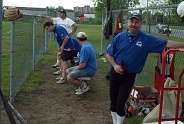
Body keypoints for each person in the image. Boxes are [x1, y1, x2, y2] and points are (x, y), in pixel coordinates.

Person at [106, 12, 184, 124]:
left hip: (129, 76)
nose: (134, 24)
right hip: (115, 73)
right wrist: (115, 65)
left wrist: (183, 44)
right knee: (113, 102)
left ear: (140, 23)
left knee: (120, 102)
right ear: (128, 22)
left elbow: (167, 43)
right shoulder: (119, 37)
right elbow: (109, 54)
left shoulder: (146, 40)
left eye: (136, 22)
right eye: (132, 21)